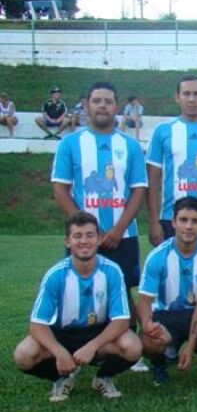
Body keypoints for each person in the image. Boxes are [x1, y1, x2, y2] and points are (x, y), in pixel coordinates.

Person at [51, 81, 148, 372]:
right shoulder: (70, 143)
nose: (103, 105)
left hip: (124, 234)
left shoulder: (129, 146)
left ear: (116, 107)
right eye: (97, 101)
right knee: (77, 290)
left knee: (124, 292)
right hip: (85, 239)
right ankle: (75, 348)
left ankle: (131, 352)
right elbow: (60, 189)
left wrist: (118, 229)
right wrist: (85, 231)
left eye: (108, 101)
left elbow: (138, 191)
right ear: (87, 105)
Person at [13, 212, 143, 402]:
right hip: (63, 334)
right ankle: (61, 379)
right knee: (23, 354)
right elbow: (37, 324)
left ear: (99, 239)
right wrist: (59, 352)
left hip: (98, 333)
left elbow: (122, 321)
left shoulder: (112, 271)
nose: (84, 241)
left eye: (90, 235)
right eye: (77, 236)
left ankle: (103, 377)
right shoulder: (55, 275)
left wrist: (92, 346)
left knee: (132, 346)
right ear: (67, 241)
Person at [137, 197, 197, 385]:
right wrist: (149, 325)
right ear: (173, 222)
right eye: (183, 220)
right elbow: (144, 302)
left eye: (195, 221)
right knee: (148, 340)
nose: (189, 226)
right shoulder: (157, 256)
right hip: (166, 314)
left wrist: (190, 347)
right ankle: (160, 363)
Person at [146, 75, 197, 252]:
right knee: (171, 276)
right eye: (186, 94)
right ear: (177, 97)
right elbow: (152, 180)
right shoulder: (162, 131)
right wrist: (153, 221)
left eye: (196, 94)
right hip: (172, 218)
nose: (191, 99)